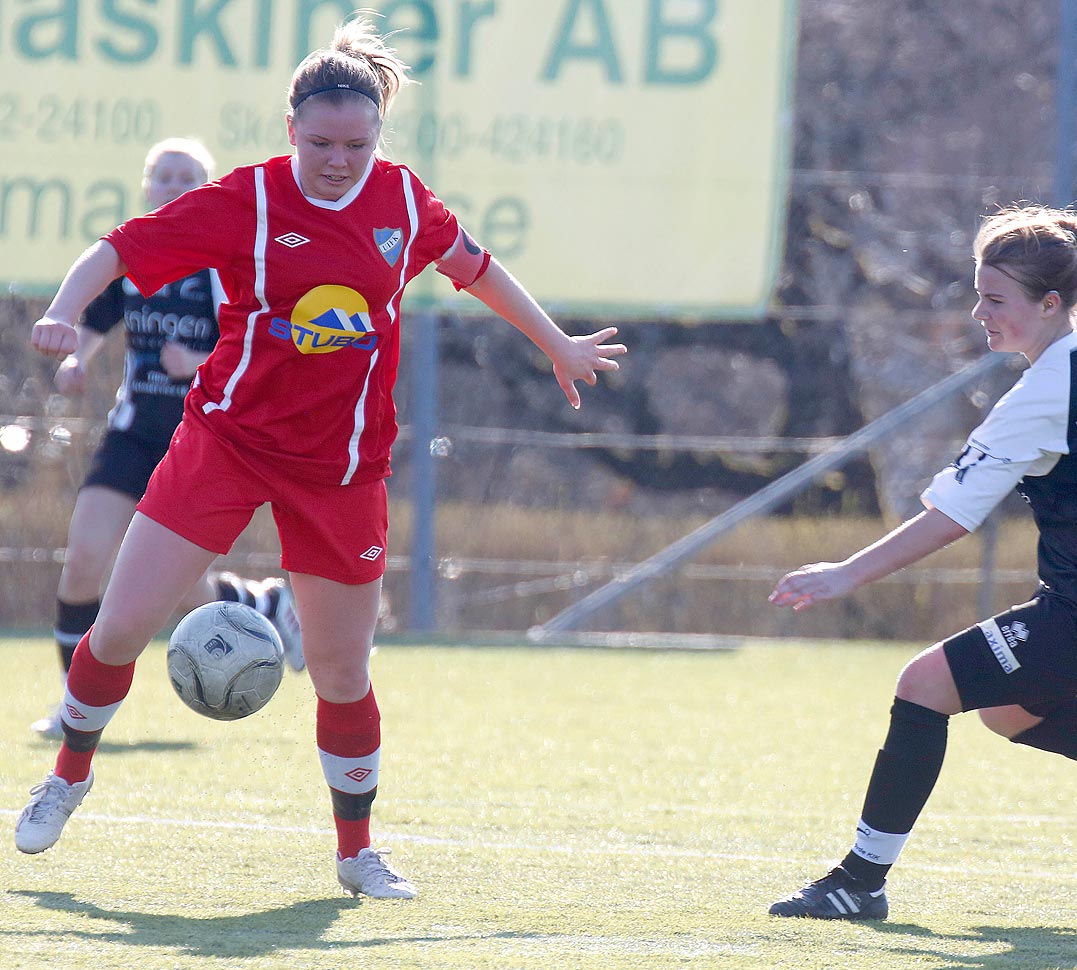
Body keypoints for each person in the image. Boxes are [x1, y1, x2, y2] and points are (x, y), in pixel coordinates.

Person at [16, 17, 626, 900]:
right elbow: (119, 249)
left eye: (358, 142)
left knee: (342, 672)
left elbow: (477, 267)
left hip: (342, 471)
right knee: (116, 628)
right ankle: (68, 776)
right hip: (224, 445)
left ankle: (356, 853)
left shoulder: (403, 202)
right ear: (290, 129)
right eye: (322, 142)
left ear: (379, 134)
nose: (340, 160)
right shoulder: (248, 201)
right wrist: (68, 310)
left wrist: (556, 342)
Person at [767, 205, 1077, 922]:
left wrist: (844, 573)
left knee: (923, 685)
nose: (978, 312)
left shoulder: (1042, 395)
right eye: (978, 293)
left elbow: (952, 518)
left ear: (1049, 302)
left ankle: (858, 882)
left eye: (995, 300)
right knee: (1008, 712)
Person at [32, 137, 305, 740]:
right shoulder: (132, 262)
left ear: (205, 188)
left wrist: (200, 359)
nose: (174, 185)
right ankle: (73, 708)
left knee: (182, 591)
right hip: (134, 433)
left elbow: (266, 343)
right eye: (164, 176)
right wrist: (74, 361)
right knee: (82, 563)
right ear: (148, 188)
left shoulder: (222, 265)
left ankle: (261, 606)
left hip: (202, 433)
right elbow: (93, 326)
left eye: (188, 176)